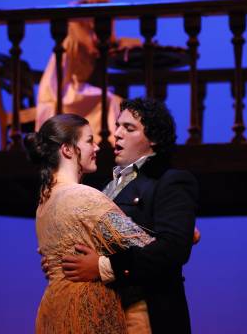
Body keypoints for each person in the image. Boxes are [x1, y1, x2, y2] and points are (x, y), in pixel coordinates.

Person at [57, 98, 199, 333]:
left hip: (144, 310)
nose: (118, 134)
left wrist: (104, 266)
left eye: (129, 128)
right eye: (118, 126)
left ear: (153, 138)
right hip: (103, 311)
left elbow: (173, 249)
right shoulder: (107, 187)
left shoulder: (170, 181)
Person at [25, 112, 158, 333]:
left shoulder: (44, 203)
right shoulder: (83, 196)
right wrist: (183, 235)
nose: (96, 148)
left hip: (53, 310)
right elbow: (146, 247)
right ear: (67, 149)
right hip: (85, 310)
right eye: (89, 141)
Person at [35, 0, 140, 143]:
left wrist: (129, 41)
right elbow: (95, 48)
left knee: (116, 102)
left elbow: (111, 41)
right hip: (66, 86)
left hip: (84, 82)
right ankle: (110, 146)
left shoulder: (105, 10)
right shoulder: (76, 12)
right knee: (112, 102)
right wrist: (102, 13)